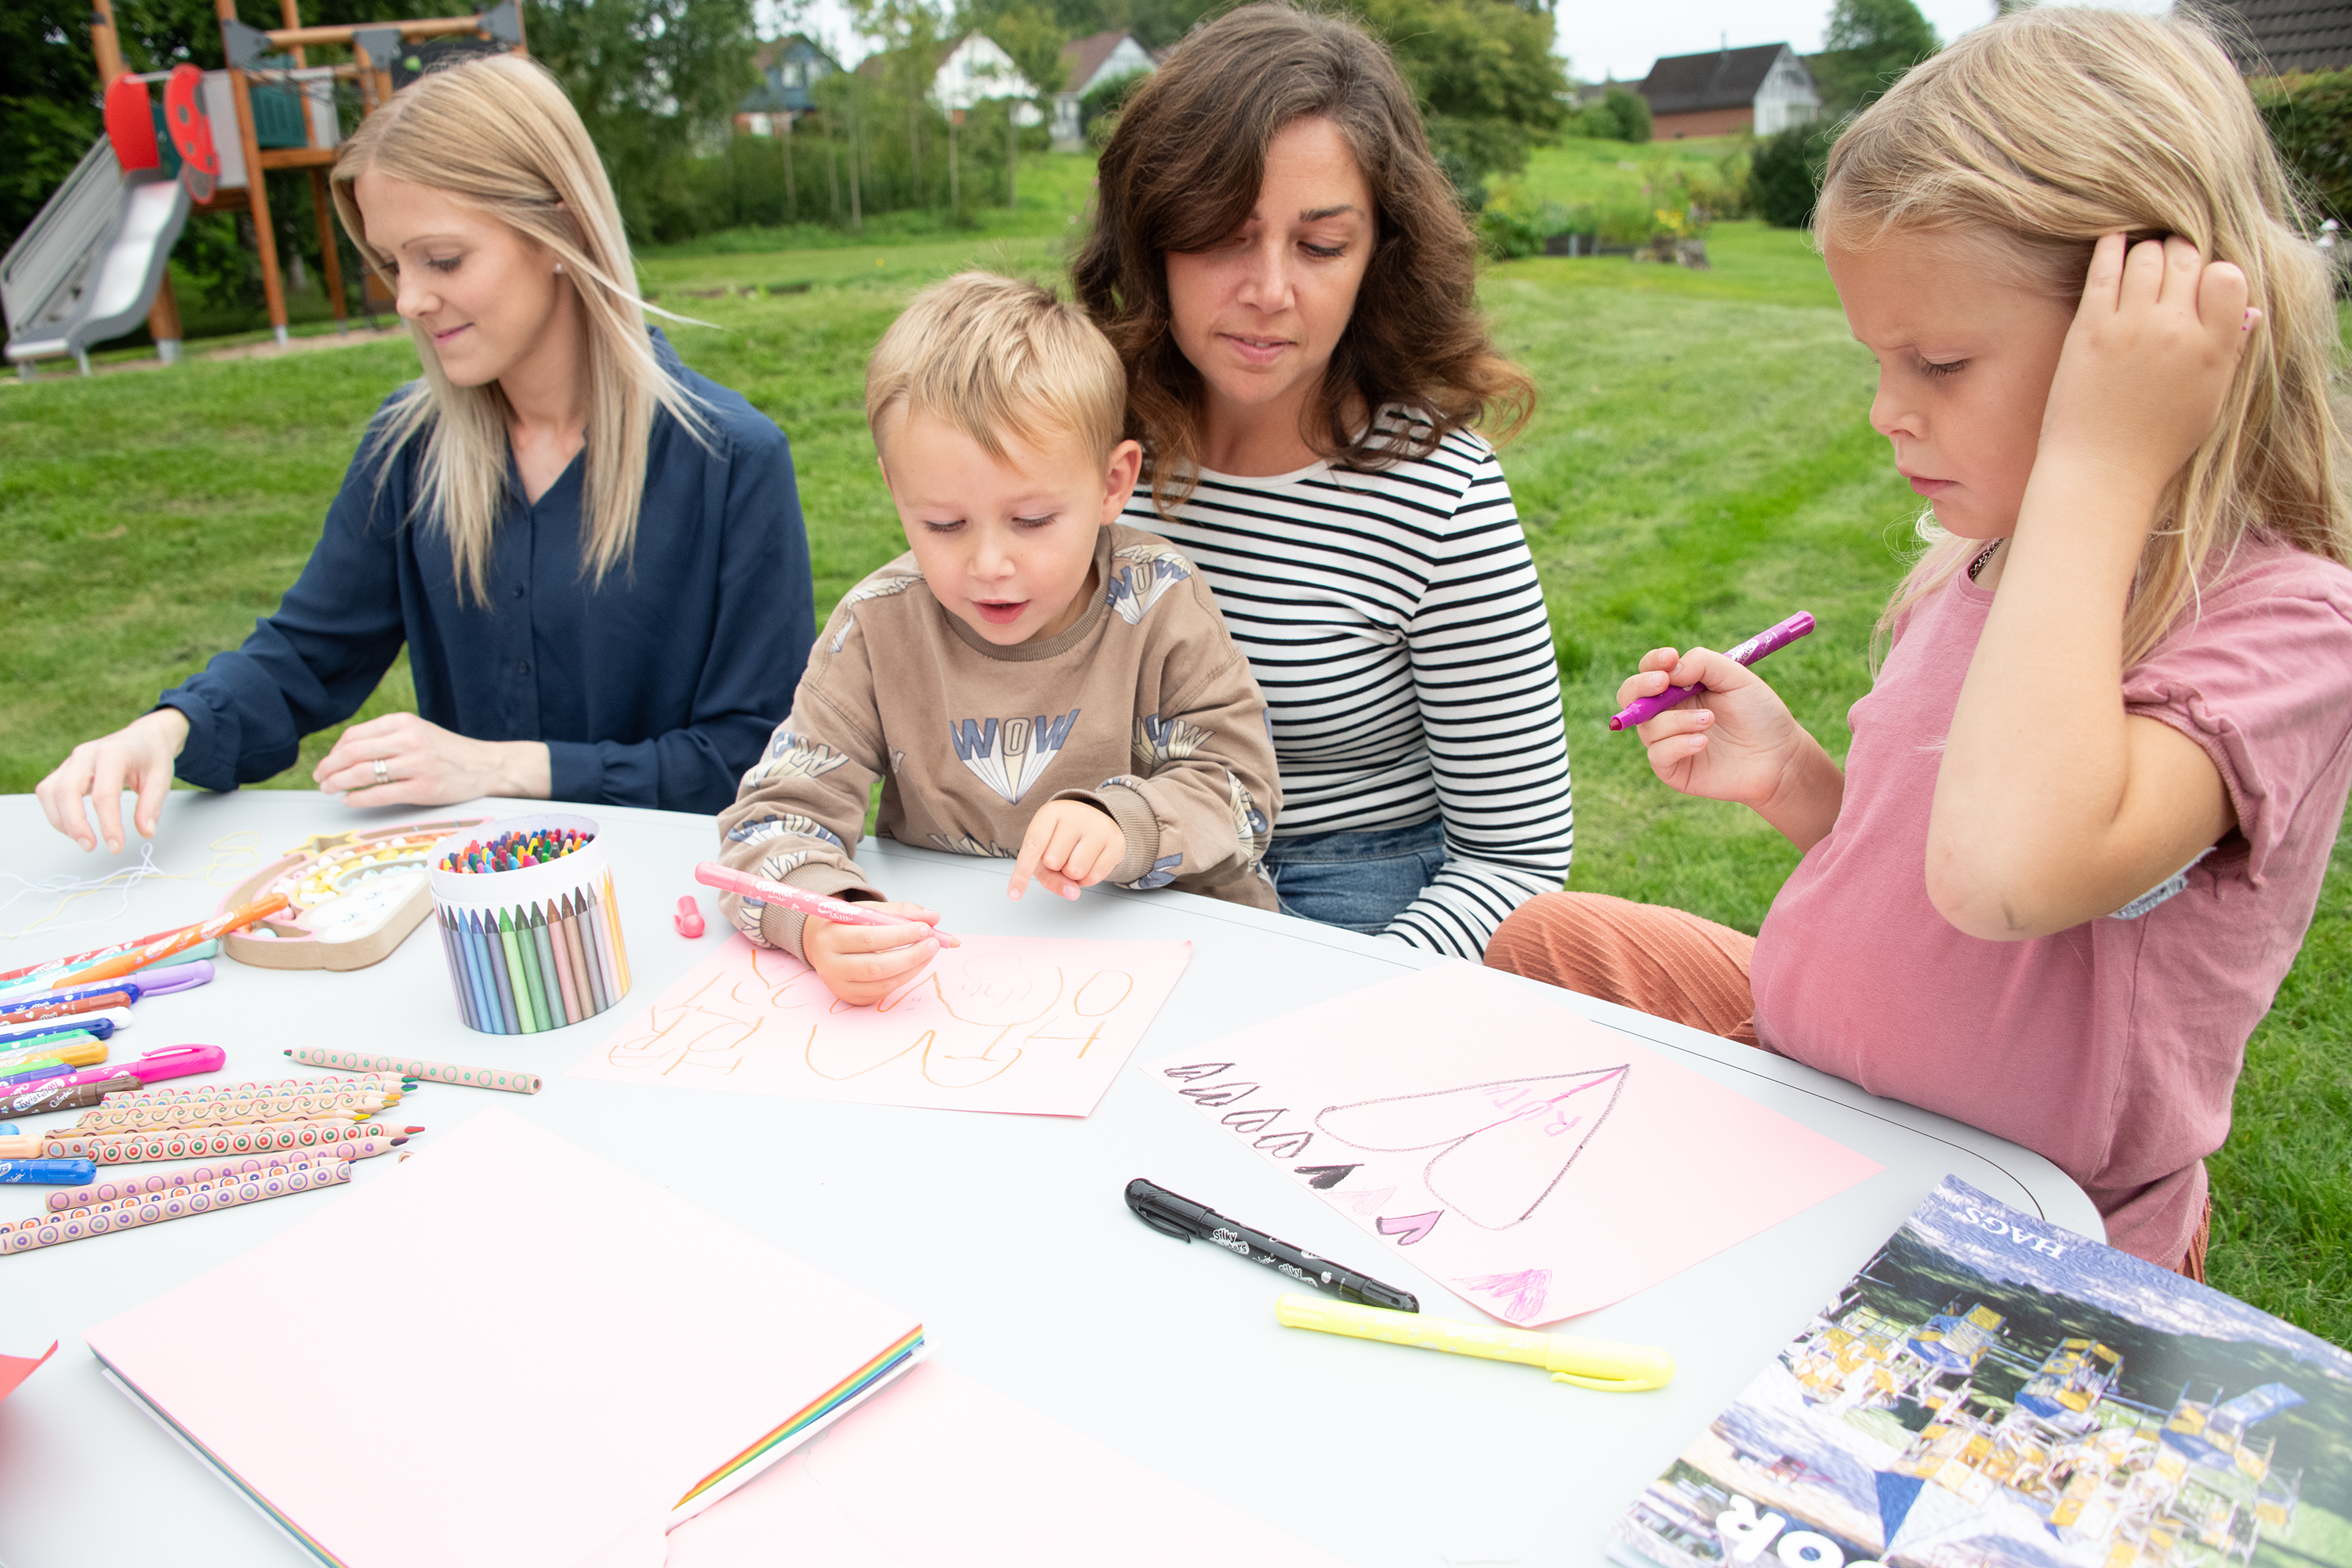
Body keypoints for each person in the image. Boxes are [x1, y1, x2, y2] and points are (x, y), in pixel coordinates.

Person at [1485, 8, 2352, 1277]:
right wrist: (1795, 781)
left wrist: (2100, 468)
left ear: (2151, 349)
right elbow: (1912, 863)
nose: (1890, 412)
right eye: (1880, 360)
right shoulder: (1986, 566)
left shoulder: (2282, 630)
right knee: (1538, 944)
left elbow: (2007, 877)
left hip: (2010, 1215)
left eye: (1939, 362)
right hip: (1836, 1090)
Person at [34, 53, 814, 851]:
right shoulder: (408, 448)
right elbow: (306, 655)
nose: (408, 299)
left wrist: (498, 768)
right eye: (391, 263)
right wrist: (164, 730)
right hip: (475, 914)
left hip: (676, 915)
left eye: (441, 259)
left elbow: (751, 761)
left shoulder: (730, 460)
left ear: (563, 229)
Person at [1072, 3, 1573, 959]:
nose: (1269, 289)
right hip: (1118, 890)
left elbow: (1517, 855)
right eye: (1223, 234)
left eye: (1319, 244)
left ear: (1378, 255)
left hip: (1360, 914)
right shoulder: (1082, 444)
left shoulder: (1442, 493)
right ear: (1153, 236)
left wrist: (1350, 1000)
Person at [713, 273, 1280, 1005]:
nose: (988, 566)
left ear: (1114, 482)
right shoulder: (879, 625)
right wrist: (827, 916)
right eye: (943, 525)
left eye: (1033, 520)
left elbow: (1241, 792)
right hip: (960, 986)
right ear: (895, 491)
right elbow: (774, 815)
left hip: (1178, 966)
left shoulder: (1159, 599)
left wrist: (1122, 821)